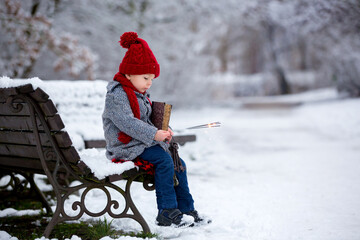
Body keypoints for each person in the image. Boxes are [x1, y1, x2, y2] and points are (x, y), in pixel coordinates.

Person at [102, 32, 203, 226]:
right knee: (164, 161)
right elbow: (127, 122)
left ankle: (186, 208)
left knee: (177, 162)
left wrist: (165, 130)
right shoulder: (117, 95)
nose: (149, 83)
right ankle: (166, 212)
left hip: (142, 143)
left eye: (152, 79)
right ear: (129, 74)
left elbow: (149, 119)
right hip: (125, 147)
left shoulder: (140, 94)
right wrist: (154, 134)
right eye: (145, 77)